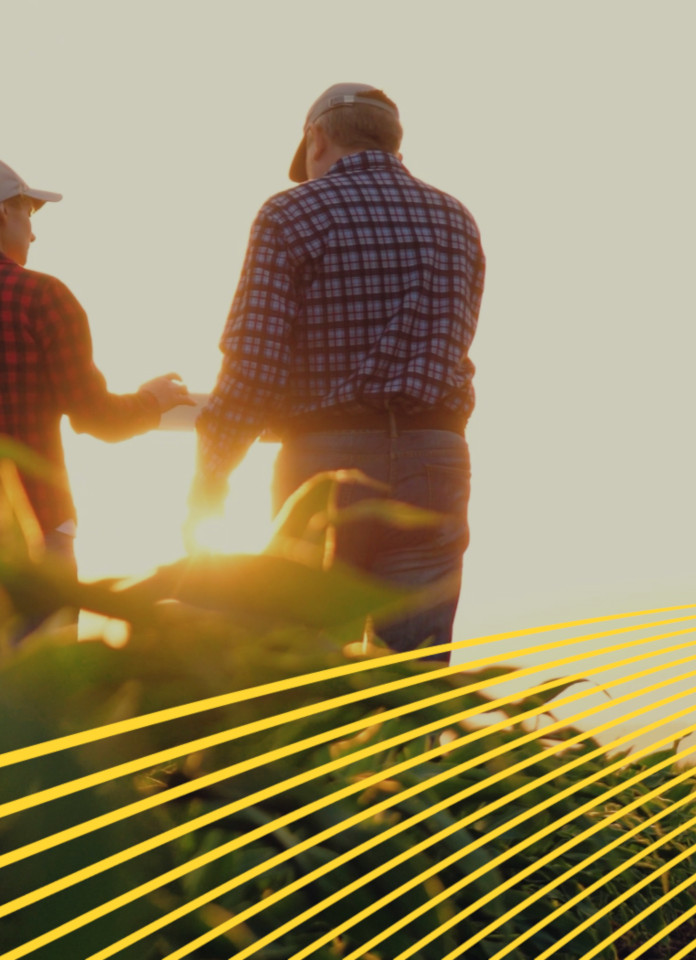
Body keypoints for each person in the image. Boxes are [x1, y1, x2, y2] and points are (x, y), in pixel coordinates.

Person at [188, 84, 487, 663]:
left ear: (318, 139)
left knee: (306, 662)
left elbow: (253, 368)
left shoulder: (290, 213)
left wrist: (211, 476)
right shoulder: (457, 221)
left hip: (326, 461)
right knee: (414, 674)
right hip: (436, 455)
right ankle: (414, 750)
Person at [0, 155, 191, 586]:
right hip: (35, 536)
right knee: (41, 655)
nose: (34, 230)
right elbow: (96, 418)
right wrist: (152, 402)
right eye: (27, 212)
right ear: (1, 213)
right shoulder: (42, 297)